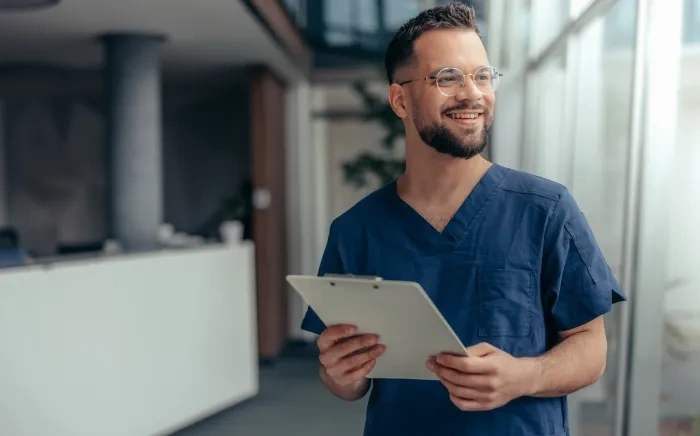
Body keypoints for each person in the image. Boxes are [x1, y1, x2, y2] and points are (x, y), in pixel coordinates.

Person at [300, 3, 625, 435]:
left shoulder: (545, 209)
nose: (473, 94)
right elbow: (346, 384)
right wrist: (341, 374)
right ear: (399, 99)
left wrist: (525, 376)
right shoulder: (357, 230)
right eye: (448, 77)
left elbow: (591, 348)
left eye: (483, 76)